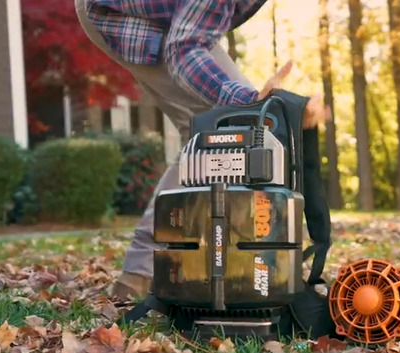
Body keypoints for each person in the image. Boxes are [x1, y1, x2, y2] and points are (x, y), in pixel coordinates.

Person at [75, 0, 325, 300]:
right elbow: (184, 50)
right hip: (117, 14)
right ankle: (142, 273)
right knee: (228, 124)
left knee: (225, 124)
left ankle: (221, 262)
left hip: (170, 19)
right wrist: (247, 100)